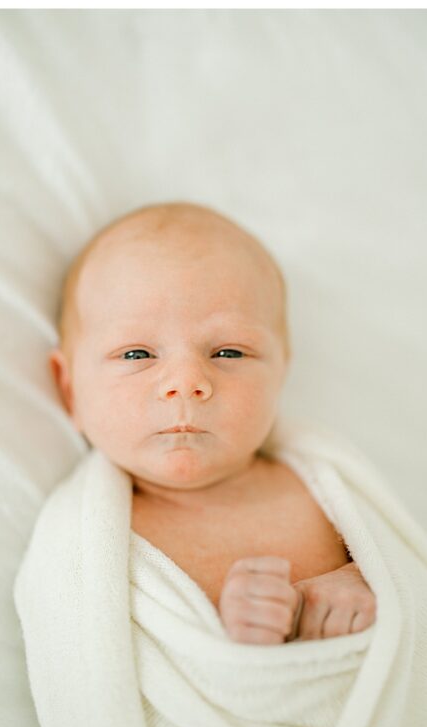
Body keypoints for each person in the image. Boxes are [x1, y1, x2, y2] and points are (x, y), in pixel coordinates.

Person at [49, 201, 375, 643]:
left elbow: (413, 589)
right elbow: (85, 665)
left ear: (282, 372)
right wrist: (233, 645)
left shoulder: (328, 486)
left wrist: (363, 586)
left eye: (229, 352)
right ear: (70, 390)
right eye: (136, 354)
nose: (186, 383)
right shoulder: (80, 544)